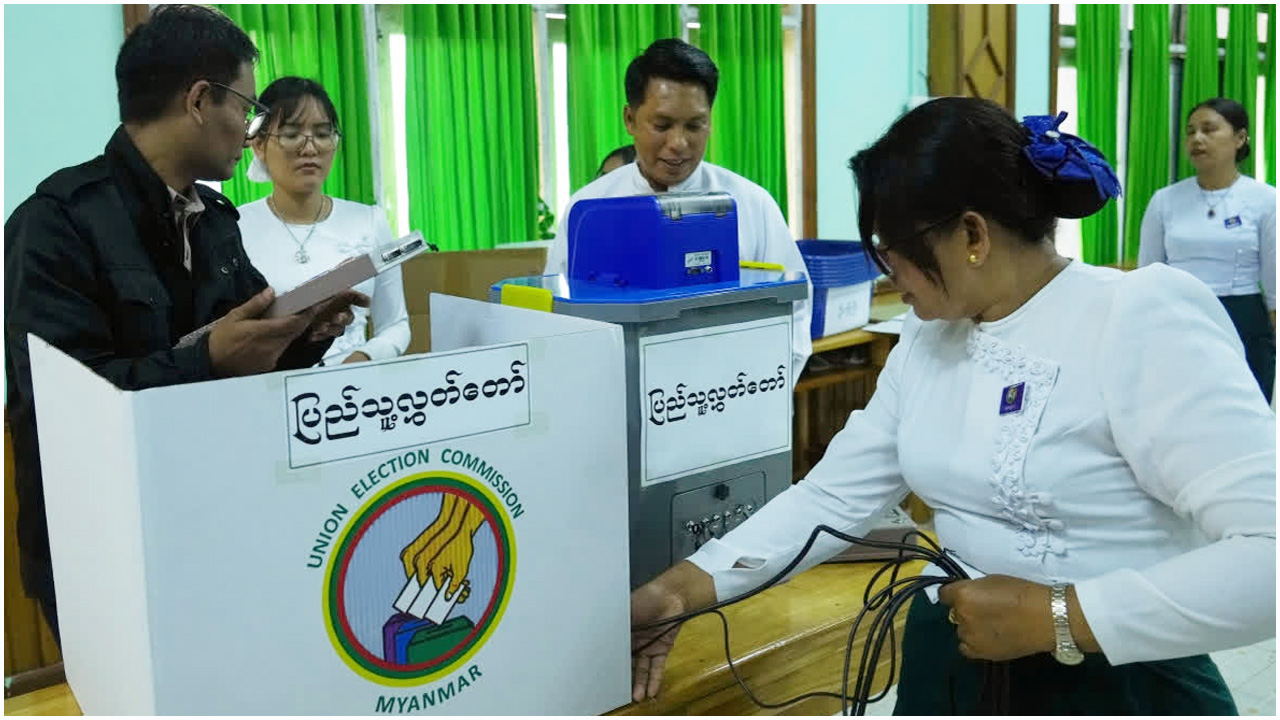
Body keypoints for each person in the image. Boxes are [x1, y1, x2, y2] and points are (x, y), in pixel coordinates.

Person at [629, 98, 1275, 713]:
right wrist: (679, 591)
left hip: (1112, 675)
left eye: (892, 252)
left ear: (972, 234)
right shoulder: (927, 336)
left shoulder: (1134, 318)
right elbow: (830, 499)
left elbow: (1267, 554)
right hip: (953, 659)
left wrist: (1058, 616)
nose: (888, 276)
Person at [3, 5, 365, 645]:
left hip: (216, 517)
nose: (250, 131)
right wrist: (208, 359)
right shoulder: (58, 222)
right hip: (103, 545)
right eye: (247, 108)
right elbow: (63, 405)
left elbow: (250, 351)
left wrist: (306, 333)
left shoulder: (217, 219)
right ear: (200, 100)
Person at [544, 39, 813, 381]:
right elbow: (557, 316)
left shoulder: (750, 204)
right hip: (618, 394)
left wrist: (761, 392)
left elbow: (795, 310)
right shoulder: (589, 212)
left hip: (731, 392)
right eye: (662, 125)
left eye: (695, 126)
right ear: (630, 119)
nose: (679, 143)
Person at [239, 77, 410, 366]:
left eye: (322, 134)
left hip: (353, 384)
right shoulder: (236, 227)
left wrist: (362, 358)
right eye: (292, 134)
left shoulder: (369, 220)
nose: (310, 148)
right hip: (269, 382)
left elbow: (396, 325)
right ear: (259, 145)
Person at [1138, 98, 1276, 403]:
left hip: (1243, 318)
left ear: (1240, 138)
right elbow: (1147, 274)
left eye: (1209, 129)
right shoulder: (1164, 200)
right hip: (1177, 317)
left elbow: (1275, 284)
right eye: (1191, 131)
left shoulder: (1266, 200)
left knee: (1243, 410)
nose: (1197, 138)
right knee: (1179, 407)